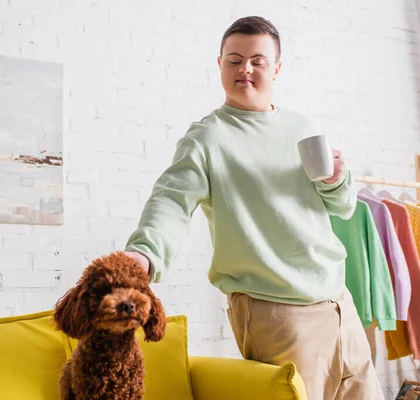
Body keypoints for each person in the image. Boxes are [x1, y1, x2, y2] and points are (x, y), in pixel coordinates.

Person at [123, 16, 384, 399]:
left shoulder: (302, 128)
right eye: (234, 59)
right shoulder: (207, 138)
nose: (245, 68)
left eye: (257, 61)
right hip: (276, 312)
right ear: (220, 65)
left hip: (338, 302)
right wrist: (142, 254)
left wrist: (335, 180)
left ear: (276, 69)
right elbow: (171, 201)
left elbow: (342, 208)